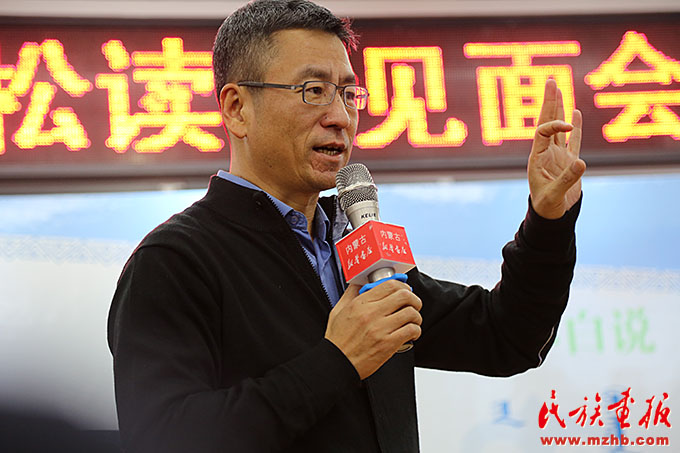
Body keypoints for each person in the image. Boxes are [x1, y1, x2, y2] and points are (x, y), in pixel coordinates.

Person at [107, 0, 586, 452]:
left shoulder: (357, 246)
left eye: (348, 93)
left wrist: (549, 221)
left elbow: (507, 336)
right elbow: (163, 438)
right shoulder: (174, 261)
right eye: (313, 91)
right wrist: (337, 361)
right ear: (237, 108)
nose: (340, 117)